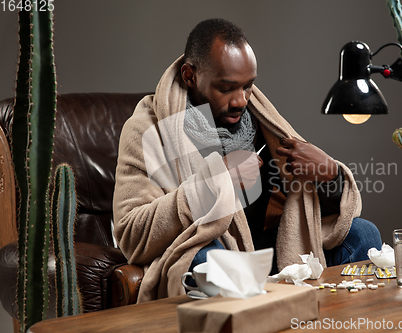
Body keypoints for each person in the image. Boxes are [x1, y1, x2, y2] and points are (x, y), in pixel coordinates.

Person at [113, 18, 381, 302]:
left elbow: (305, 205)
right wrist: (214, 184)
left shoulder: (261, 120)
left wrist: (330, 175)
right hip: (212, 251)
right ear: (190, 75)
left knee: (363, 233)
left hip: (272, 251)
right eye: (226, 88)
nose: (241, 100)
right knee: (210, 260)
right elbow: (131, 235)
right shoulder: (149, 128)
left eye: (248, 86)